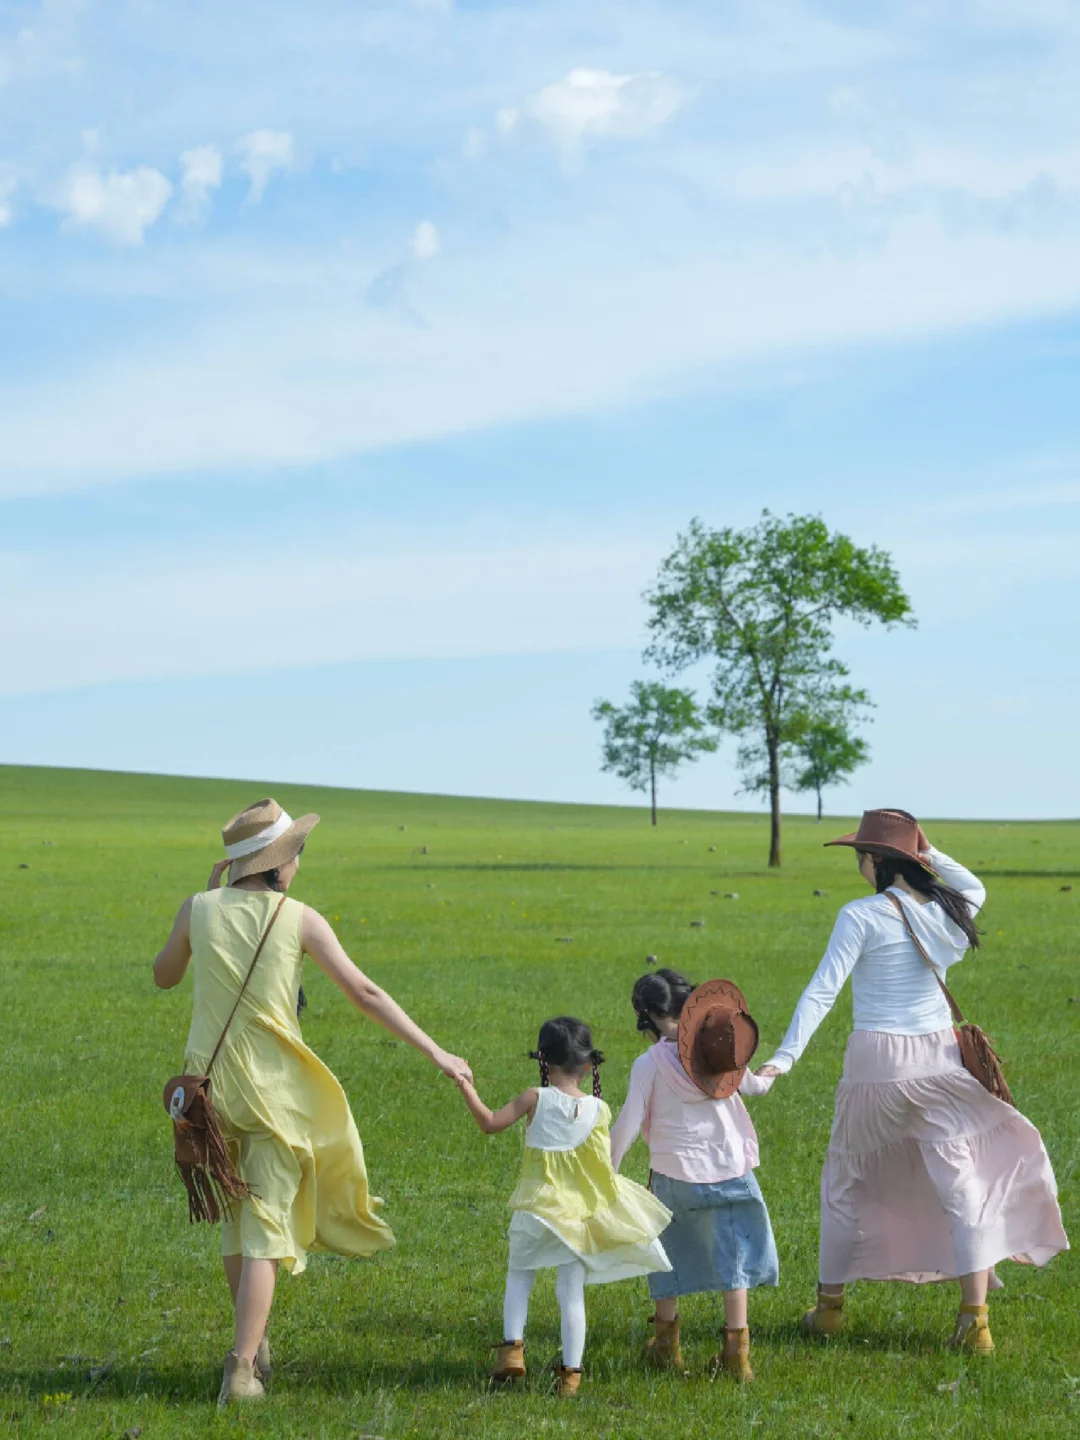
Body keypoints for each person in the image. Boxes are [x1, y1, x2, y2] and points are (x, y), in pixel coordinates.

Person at [153, 798, 472, 1407]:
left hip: (208, 1091)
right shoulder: (299, 918)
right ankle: (242, 1369)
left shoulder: (198, 910)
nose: (298, 863)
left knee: (238, 1216)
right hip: (272, 1091)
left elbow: (163, 975)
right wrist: (438, 1053)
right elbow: (365, 992)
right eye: (295, 853)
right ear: (277, 863)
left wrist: (202, 907)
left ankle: (256, 1340)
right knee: (268, 1229)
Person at [757, 808, 1068, 1353]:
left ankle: (829, 1311)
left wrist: (780, 1061)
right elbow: (975, 886)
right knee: (962, 1182)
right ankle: (976, 1322)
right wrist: (927, 850)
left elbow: (822, 992)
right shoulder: (948, 912)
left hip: (874, 1063)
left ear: (875, 861)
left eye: (861, 855)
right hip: (937, 1060)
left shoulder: (861, 915)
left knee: (846, 1180)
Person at [455, 1016, 672, 1398]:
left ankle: (512, 1351)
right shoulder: (598, 1111)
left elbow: (489, 1123)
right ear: (588, 1066)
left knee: (519, 1275)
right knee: (571, 1292)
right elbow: (599, 1168)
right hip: (575, 1219)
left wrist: (467, 1088)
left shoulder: (533, 1098)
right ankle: (571, 1375)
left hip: (535, 1209)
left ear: (544, 1061)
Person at [610, 971, 778, 1382]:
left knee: (667, 1250)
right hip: (729, 1169)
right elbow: (755, 1087)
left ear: (647, 1016)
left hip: (673, 1173)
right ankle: (737, 1354)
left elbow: (628, 1125)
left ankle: (666, 1345)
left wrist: (605, 1170)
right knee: (733, 1258)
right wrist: (773, 1070)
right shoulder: (717, 1048)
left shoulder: (648, 1064)